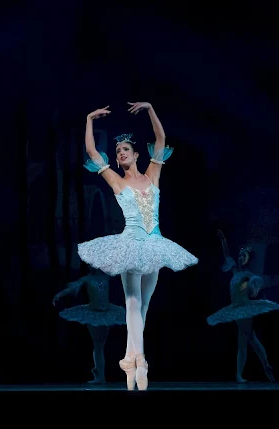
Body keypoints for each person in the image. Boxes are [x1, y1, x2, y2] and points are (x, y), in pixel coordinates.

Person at [77, 102, 198, 391]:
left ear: (136, 154)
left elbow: (161, 140)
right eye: (118, 152)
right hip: (130, 244)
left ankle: (130, 359)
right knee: (132, 302)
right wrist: (89, 119)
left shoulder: (153, 174)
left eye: (125, 150)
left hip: (155, 244)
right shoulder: (117, 181)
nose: (120, 154)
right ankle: (140, 361)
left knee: (144, 306)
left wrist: (151, 109)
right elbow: (93, 153)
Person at [207, 230, 279, 383]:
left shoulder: (248, 275)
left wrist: (254, 284)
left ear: (248, 260)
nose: (240, 258)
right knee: (252, 339)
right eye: (240, 256)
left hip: (244, 310)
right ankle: (266, 366)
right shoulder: (234, 271)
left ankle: (239, 374)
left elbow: (254, 282)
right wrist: (223, 239)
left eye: (244, 257)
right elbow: (227, 254)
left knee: (242, 341)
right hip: (236, 308)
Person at [52, 266, 124, 384]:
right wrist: (60, 294)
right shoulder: (87, 279)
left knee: (100, 346)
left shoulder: (107, 276)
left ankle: (99, 374)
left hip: (107, 313)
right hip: (93, 314)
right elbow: (73, 287)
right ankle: (99, 375)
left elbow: (121, 270)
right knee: (98, 345)